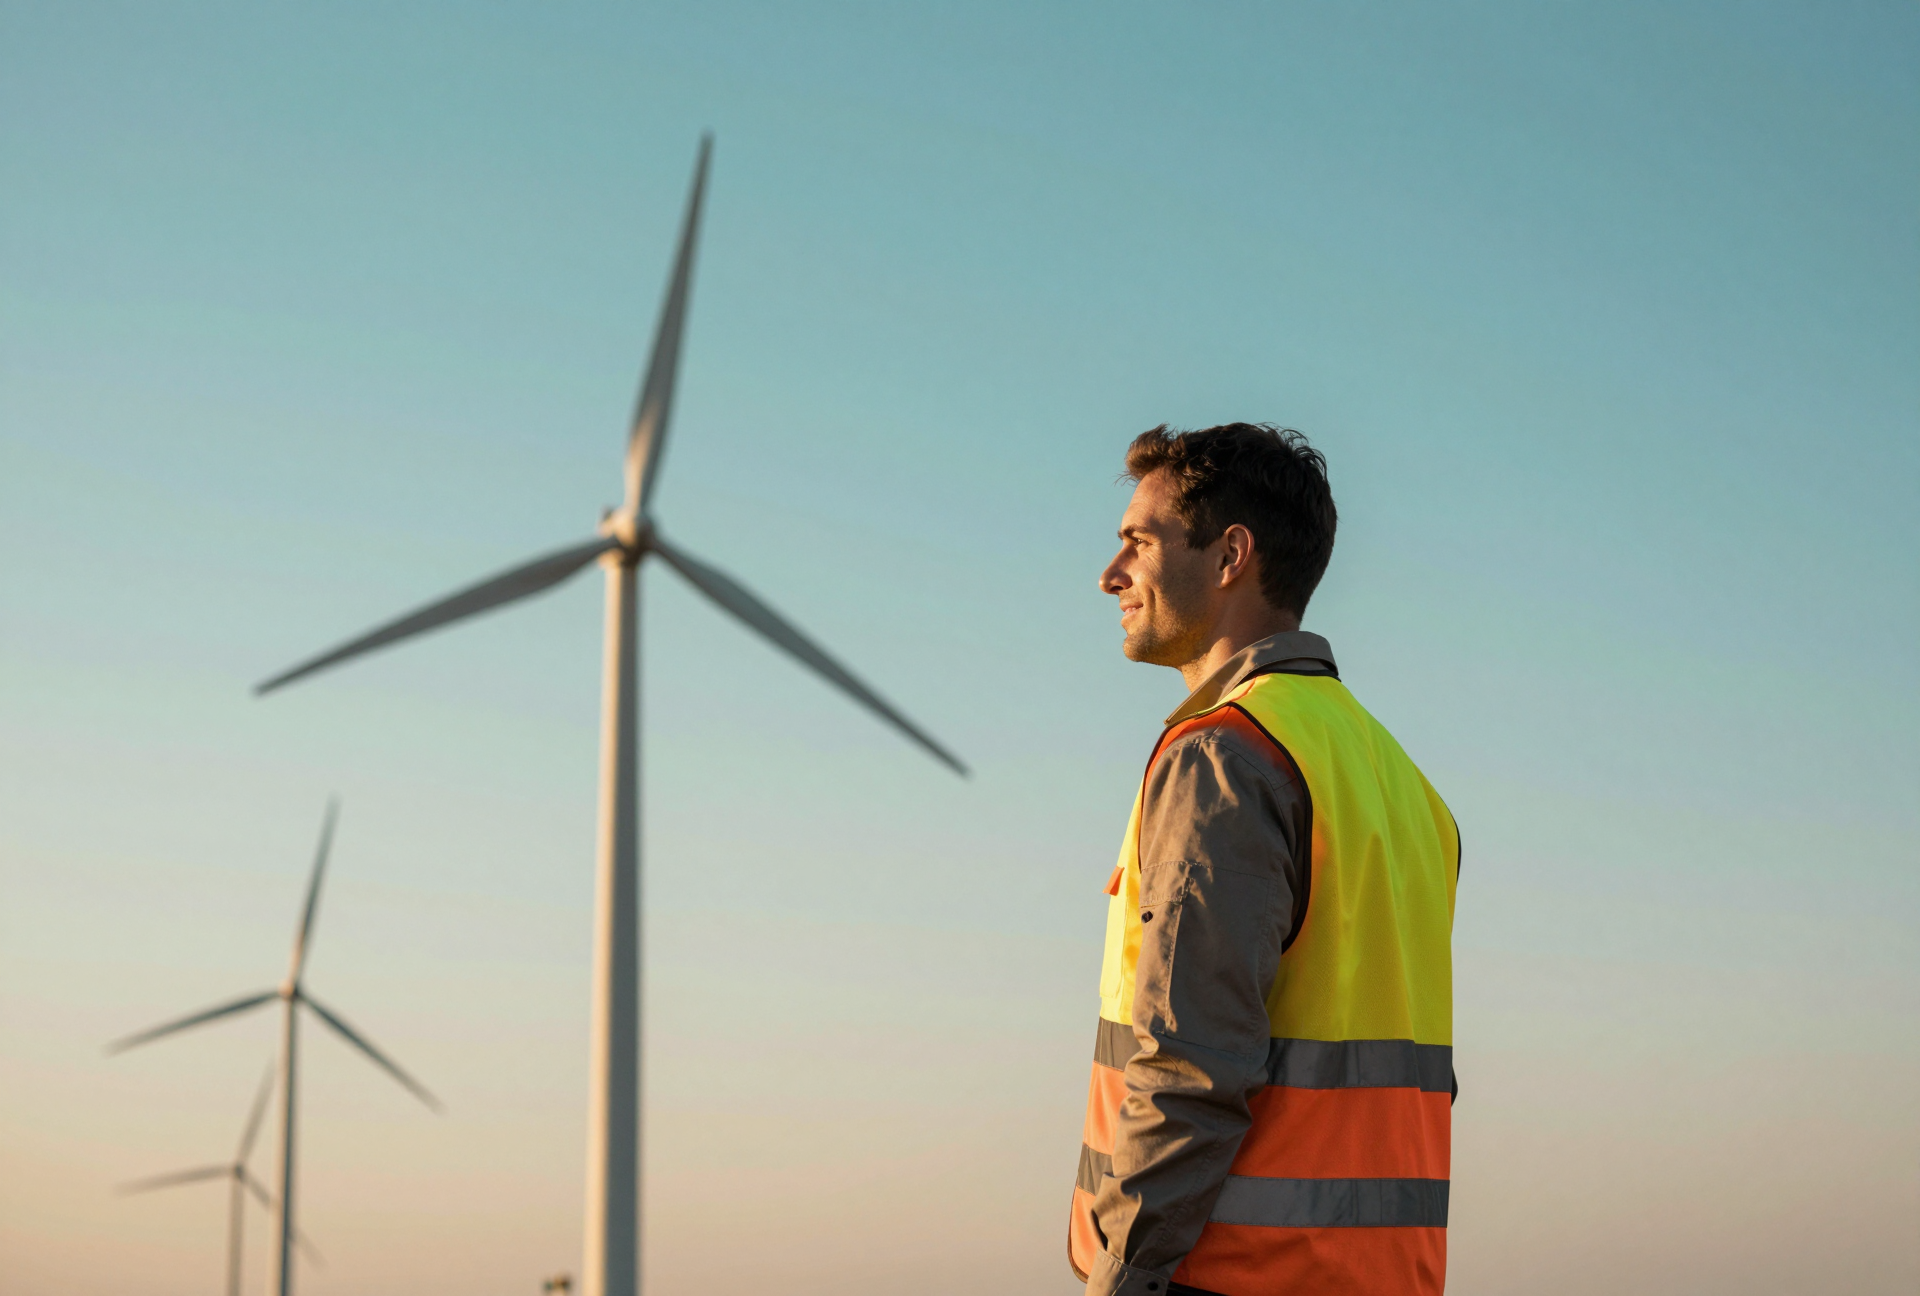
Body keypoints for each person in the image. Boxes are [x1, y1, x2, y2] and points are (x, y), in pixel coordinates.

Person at [1070, 423, 1459, 1296]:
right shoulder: (1402, 784)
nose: (1111, 574)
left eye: (1139, 541)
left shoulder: (1228, 756)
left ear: (1230, 555)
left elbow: (1191, 1067)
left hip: (1232, 1273)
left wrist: (1118, 1280)